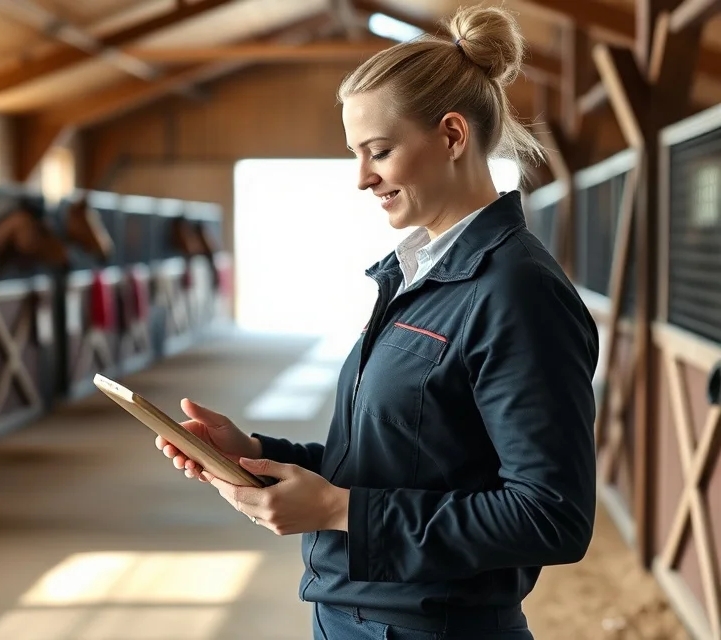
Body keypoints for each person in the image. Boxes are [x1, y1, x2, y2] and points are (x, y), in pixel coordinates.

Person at [155, 4, 600, 639]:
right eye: (355, 154)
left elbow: (550, 515)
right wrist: (256, 453)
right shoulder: (417, 273)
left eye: (378, 152)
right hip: (351, 613)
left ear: (452, 136)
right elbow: (400, 458)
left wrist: (339, 510)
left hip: (432, 627)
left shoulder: (517, 292)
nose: (361, 178)